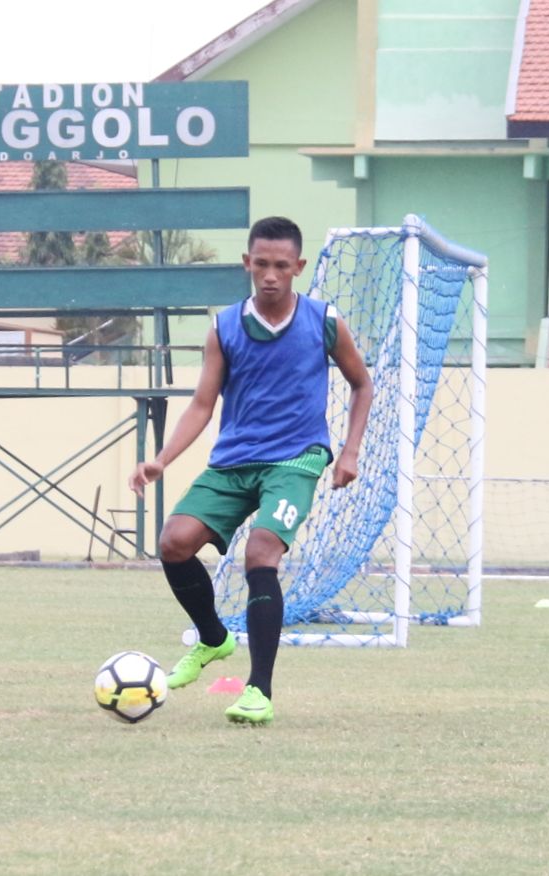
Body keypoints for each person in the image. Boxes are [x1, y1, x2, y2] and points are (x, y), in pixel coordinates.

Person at [128, 216, 373, 725]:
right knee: (173, 542)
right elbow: (201, 403)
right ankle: (213, 639)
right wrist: (162, 459)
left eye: (282, 266)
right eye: (261, 264)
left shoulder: (325, 321)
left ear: (298, 268)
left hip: (295, 459)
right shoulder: (224, 326)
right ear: (247, 263)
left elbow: (362, 385)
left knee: (261, 551)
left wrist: (349, 452)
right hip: (234, 461)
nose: (270, 275)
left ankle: (258, 690)